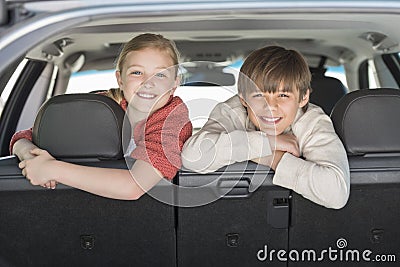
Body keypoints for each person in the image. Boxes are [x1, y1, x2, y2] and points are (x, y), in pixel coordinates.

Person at [12, 33, 193, 200]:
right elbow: (24, 137)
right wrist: (31, 157)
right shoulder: (101, 106)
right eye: (137, 72)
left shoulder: (174, 120)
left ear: (174, 84)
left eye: (160, 74)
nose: (148, 83)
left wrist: (53, 169)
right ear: (120, 79)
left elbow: (133, 186)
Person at [181, 45, 350, 209]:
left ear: (303, 98)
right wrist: (268, 143)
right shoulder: (232, 110)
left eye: (283, 95)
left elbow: (337, 194)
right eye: (259, 95)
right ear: (243, 99)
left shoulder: (311, 120)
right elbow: (193, 157)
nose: (270, 106)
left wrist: (271, 158)